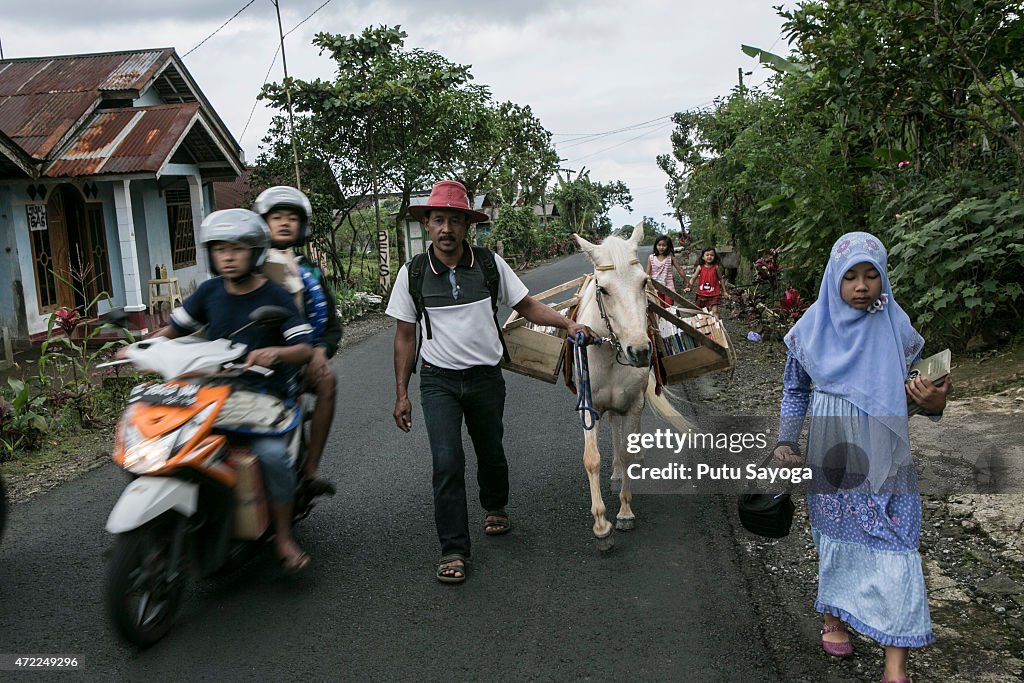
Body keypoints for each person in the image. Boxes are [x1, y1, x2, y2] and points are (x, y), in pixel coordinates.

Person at [386, 180, 596, 584]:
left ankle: (495, 505)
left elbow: (526, 305)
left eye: (455, 221)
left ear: (468, 226)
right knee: (447, 462)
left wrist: (567, 323)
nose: (446, 229)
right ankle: (453, 548)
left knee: (491, 452)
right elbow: (404, 336)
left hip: (485, 378)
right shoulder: (411, 275)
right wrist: (401, 394)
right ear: (427, 224)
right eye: (438, 220)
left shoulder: (488, 265)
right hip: (437, 381)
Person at [773, 232, 950, 683]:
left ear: (883, 277)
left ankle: (896, 668)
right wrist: (785, 442)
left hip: (888, 449)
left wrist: (933, 402)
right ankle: (834, 615)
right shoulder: (811, 328)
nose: (862, 285)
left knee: (898, 543)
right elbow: (795, 390)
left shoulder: (897, 325)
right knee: (835, 534)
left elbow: (920, 393)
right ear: (834, 277)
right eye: (850, 275)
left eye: (872, 274)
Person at [137, 209, 315, 573]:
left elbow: (304, 349)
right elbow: (173, 330)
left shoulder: (276, 296)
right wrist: (142, 348)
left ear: (256, 252)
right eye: (220, 249)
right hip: (212, 392)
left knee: (271, 456)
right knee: (165, 443)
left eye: (236, 248)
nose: (228, 256)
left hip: (264, 395)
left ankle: (282, 537)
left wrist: (275, 352)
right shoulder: (209, 291)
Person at [254, 186, 341, 497]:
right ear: (262, 222)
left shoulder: (311, 271)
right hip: (251, 358)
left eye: (291, 217)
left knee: (328, 381)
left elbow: (332, 326)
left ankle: (310, 470)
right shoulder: (248, 263)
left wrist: (319, 351)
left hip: (299, 359)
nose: (285, 223)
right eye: (276, 217)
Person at [645, 234, 686, 307]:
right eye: (659, 245)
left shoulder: (670, 257)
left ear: (668, 246)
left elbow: (679, 269)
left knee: (669, 306)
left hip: (668, 288)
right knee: (660, 307)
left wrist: (686, 280)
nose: (661, 247)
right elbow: (647, 273)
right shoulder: (651, 258)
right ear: (656, 245)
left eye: (664, 245)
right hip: (656, 287)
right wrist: (647, 285)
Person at [688, 246, 730, 316]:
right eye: (707, 255)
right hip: (702, 294)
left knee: (715, 312)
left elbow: (721, 279)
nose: (709, 256)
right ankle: (703, 325)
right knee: (702, 312)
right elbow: (693, 278)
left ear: (714, 257)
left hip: (714, 293)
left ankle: (716, 325)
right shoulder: (700, 267)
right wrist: (689, 287)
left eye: (712, 255)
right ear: (703, 257)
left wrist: (724, 291)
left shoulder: (716, 267)